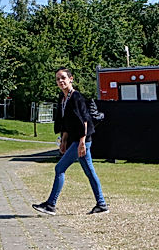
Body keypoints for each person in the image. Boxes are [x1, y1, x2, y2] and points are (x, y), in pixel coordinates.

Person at [33, 68, 108, 215]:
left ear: (71, 79)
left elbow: (84, 120)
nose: (60, 81)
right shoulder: (62, 99)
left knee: (59, 168)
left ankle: (50, 205)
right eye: (57, 79)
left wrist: (82, 142)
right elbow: (65, 123)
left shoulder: (76, 97)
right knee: (89, 172)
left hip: (82, 140)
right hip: (75, 139)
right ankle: (102, 204)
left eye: (63, 78)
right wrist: (63, 140)